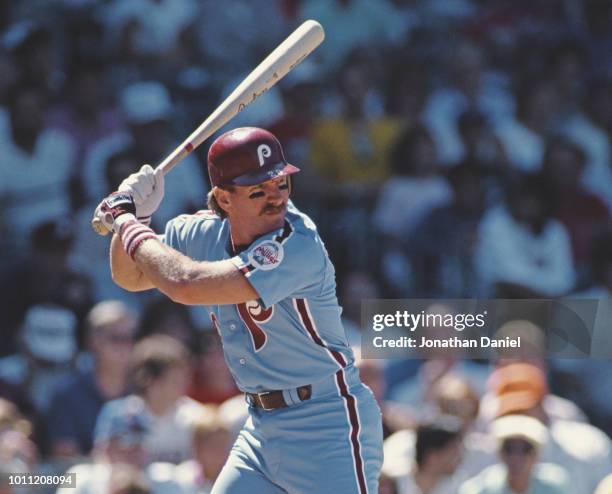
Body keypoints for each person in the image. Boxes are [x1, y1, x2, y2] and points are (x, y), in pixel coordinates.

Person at [93, 126, 384, 493]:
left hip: (327, 422)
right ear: (224, 198)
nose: (275, 198)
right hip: (261, 427)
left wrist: (124, 221)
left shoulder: (297, 243)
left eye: (281, 184)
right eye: (258, 190)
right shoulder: (201, 233)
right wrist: (139, 219)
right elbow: (131, 276)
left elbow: (185, 283)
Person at [459, 415, 570, 494]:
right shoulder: (479, 489)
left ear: (537, 454)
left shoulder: (555, 486)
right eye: (509, 448)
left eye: (526, 449)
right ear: (499, 452)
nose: (516, 457)